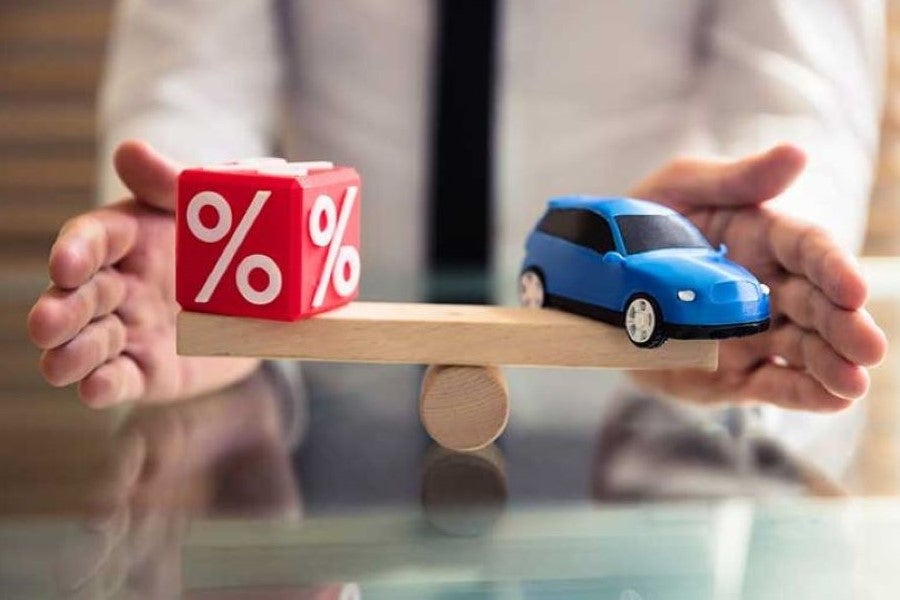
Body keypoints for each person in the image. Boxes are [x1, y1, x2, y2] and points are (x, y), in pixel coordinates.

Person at [27, 2, 888, 474]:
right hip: (325, 417)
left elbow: (798, 91)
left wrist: (758, 248)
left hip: (645, 443)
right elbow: (192, 70)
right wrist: (203, 252)